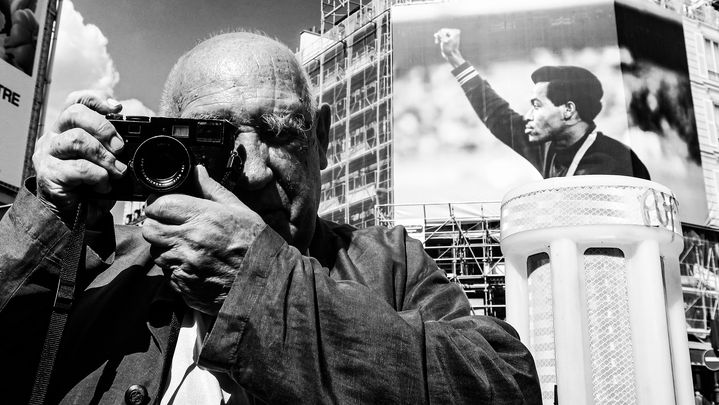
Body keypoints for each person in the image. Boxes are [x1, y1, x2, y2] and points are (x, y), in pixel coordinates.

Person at [0, 32, 541, 404]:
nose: (255, 172)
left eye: (281, 133)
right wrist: (45, 221)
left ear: (323, 139)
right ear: (164, 149)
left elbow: (504, 383)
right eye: (215, 138)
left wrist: (259, 286)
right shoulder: (100, 263)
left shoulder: (391, 263)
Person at [434, 28, 650, 180]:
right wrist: (454, 57)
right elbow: (498, 115)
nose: (528, 115)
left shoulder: (614, 162)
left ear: (568, 110)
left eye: (537, 105)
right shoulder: (548, 146)